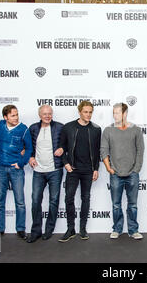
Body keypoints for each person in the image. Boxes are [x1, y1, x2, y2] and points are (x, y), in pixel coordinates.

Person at [58, 101, 101, 242]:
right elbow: (61, 148)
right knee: (69, 198)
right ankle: (70, 229)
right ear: (79, 112)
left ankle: (83, 229)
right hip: (73, 170)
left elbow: (97, 151)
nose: (88, 114)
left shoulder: (96, 129)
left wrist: (96, 168)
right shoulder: (68, 127)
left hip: (88, 171)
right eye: (85, 112)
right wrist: (66, 164)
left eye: (90, 112)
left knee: (86, 198)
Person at [101, 103, 145, 240]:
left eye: (118, 113)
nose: (115, 115)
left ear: (125, 113)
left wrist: (136, 169)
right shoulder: (108, 130)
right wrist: (109, 168)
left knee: (132, 205)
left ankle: (133, 230)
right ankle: (117, 229)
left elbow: (140, 150)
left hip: (132, 173)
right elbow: (104, 151)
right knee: (116, 204)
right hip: (115, 174)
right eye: (113, 113)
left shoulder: (136, 130)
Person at [0, 105, 32, 239]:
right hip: (0, 168)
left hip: (16, 170)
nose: (16, 118)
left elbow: (28, 149)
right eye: (13, 115)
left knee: (20, 201)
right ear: (5, 117)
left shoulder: (23, 129)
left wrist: (21, 163)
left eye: (17, 114)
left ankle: (21, 229)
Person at [27, 105, 64, 243]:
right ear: (39, 115)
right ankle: (36, 231)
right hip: (38, 171)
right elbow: (28, 145)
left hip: (55, 170)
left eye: (49, 113)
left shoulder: (60, 127)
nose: (47, 116)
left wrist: (62, 148)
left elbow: (67, 142)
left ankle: (49, 230)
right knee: (36, 201)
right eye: (44, 114)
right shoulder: (33, 128)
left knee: (53, 201)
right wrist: (30, 157)